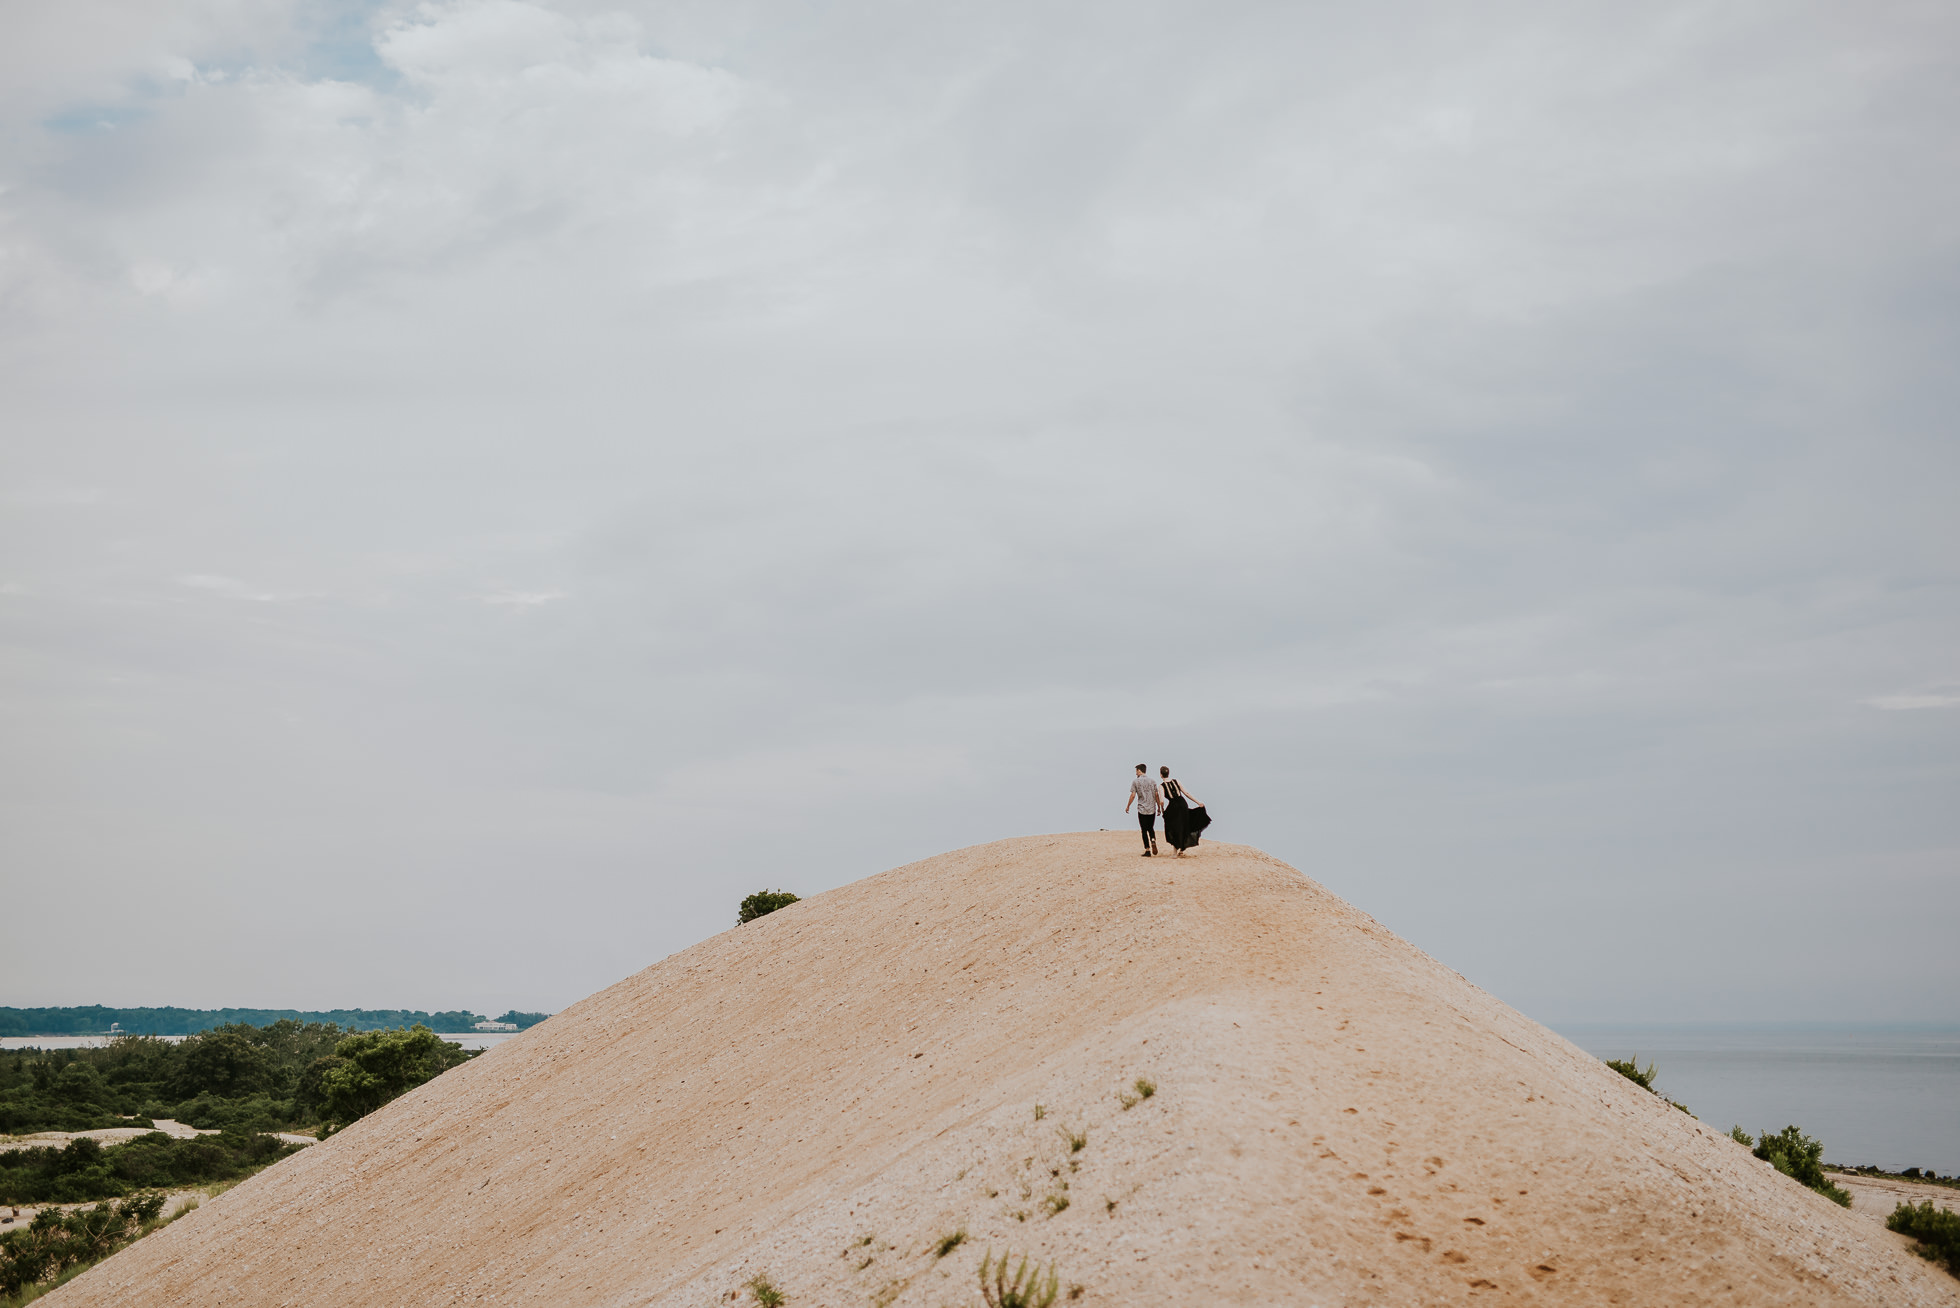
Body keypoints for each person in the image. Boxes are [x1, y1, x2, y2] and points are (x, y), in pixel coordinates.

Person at [1158, 766, 1210, 856]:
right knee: (1184, 825)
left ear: (1161, 775)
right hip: (1182, 804)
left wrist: (1162, 809)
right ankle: (1182, 849)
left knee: (1174, 827)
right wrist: (1198, 802)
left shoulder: (1161, 786)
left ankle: (1175, 852)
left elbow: (1161, 801)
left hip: (1173, 807)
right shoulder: (1176, 781)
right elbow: (1186, 793)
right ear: (1168, 773)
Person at [1123, 763, 1161, 856]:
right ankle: (1153, 839)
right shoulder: (1153, 781)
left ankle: (1147, 850)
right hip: (1152, 808)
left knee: (1144, 829)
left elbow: (1133, 795)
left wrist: (1128, 806)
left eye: (1136, 771)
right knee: (1150, 828)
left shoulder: (1135, 781)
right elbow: (1156, 795)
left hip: (1142, 809)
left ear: (1139, 770)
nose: (1136, 773)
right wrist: (1159, 807)